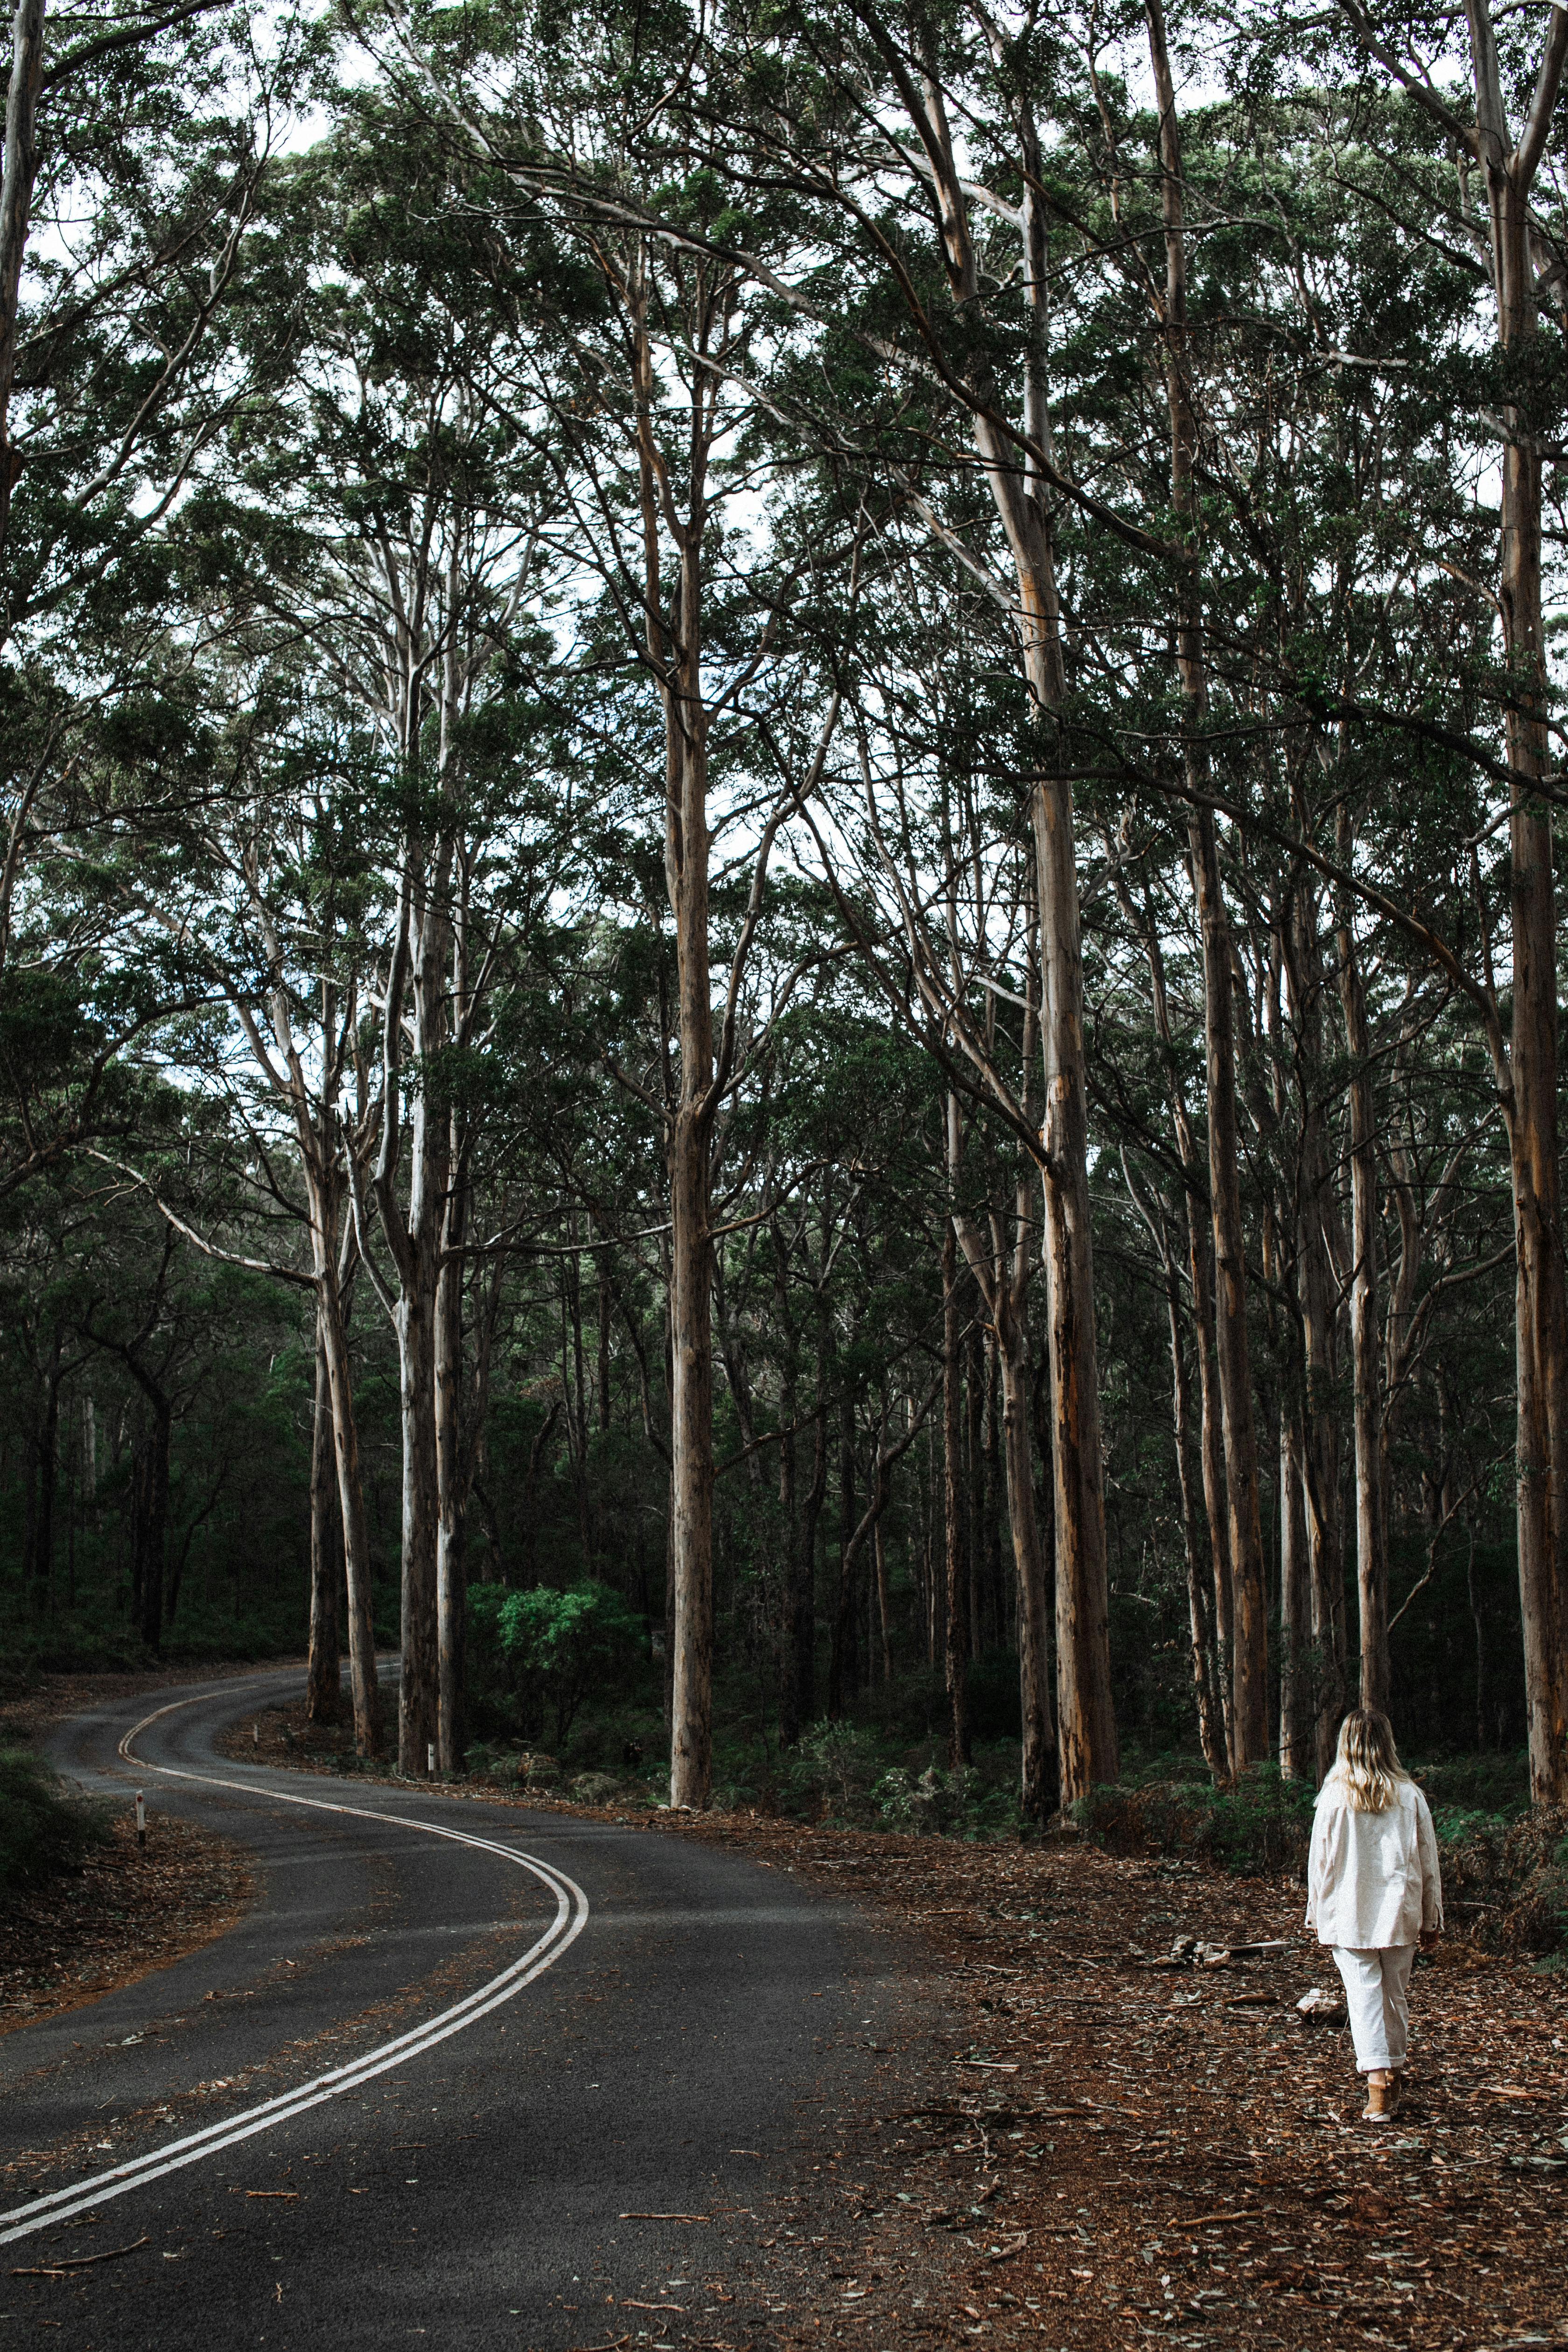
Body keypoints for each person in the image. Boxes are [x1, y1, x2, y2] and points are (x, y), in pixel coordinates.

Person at [1305, 1707, 1443, 2122]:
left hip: (1349, 1912)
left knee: (1364, 1995)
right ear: (1388, 1745)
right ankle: (1391, 2074)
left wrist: (1317, 1913)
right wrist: (1432, 1917)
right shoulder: (1409, 1796)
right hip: (1399, 1911)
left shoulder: (1333, 1797)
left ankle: (1379, 2084)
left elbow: (1319, 1863)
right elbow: (1428, 1860)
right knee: (1393, 1997)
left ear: (1345, 1745)